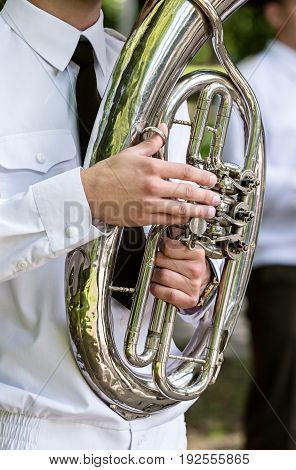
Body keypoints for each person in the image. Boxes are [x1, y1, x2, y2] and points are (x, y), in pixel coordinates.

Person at [0, 0, 222, 450]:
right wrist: (87, 200)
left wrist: (201, 280)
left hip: (163, 434)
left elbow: (193, 228)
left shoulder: (153, 68)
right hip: (31, 434)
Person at [225, 0, 296, 450]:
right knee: (287, 392)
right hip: (281, 260)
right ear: (276, 14)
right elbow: (242, 184)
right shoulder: (251, 80)